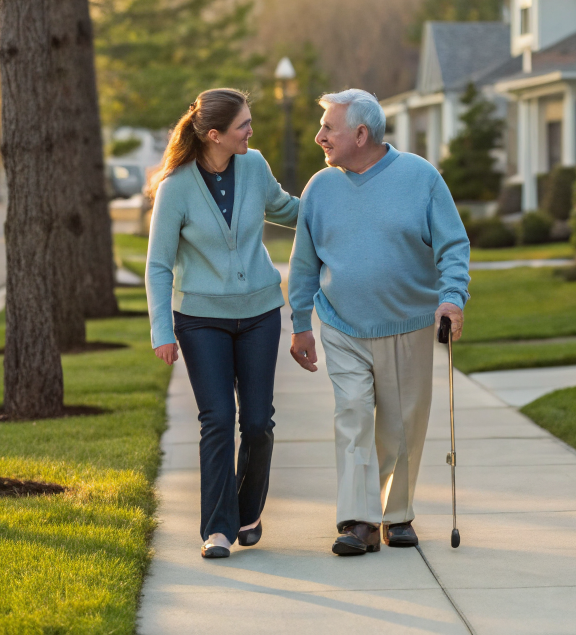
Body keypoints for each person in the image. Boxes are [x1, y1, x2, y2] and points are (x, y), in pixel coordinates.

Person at [287, 89, 469, 556]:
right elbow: (304, 263)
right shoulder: (319, 188)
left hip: (408, 323)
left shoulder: (420, 177)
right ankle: (359, 521)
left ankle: (397, 513)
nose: (319, 136)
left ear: (361, 134)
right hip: (342, 325)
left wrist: (452, 298)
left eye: (329, 128)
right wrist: (301, 322)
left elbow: (453, 245)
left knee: (402, 426)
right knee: (351, 416)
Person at [146, 88, 300, 560]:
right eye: (243, 125)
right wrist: (162, 330)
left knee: (256, 422)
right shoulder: (175, 187)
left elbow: (288, 210)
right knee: (216, 419)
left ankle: (247, 513)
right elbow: (158, 265)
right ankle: (216, 528)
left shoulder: (254, 166)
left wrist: (338, 199)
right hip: (200, 321)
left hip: (259, 314)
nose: (251, 131)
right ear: (214, 135)